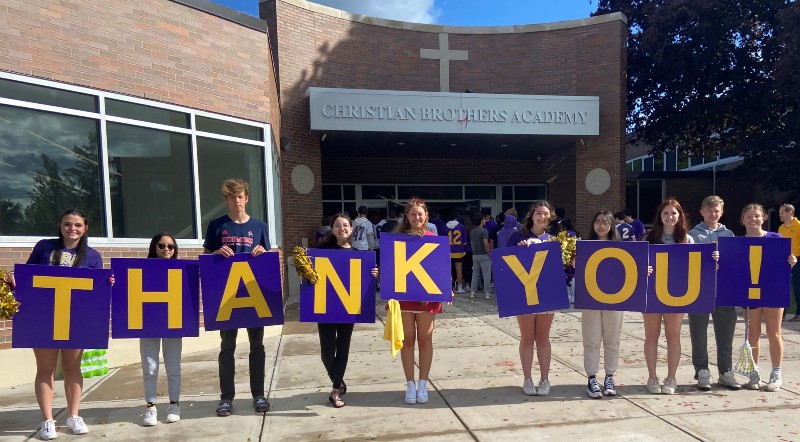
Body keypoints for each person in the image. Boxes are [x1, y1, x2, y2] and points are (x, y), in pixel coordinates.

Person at [6, 208, 112, 440]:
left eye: (77, 225)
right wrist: (14, 279)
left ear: (85, 229)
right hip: (44, 318)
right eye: (67, 224)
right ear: (60, 225)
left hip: (75, 320)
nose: (72, 229)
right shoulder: (44, 247)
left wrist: (108, 282)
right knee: (46, 370)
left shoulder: (92, 256)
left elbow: (96, 291)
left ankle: (73, 415)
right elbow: (28, 276)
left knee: (73, 368)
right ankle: (47, 420)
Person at [203, 179, 271, 417]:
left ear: (247, 198)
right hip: (227, 295)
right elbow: (206, 257)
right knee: (227, 347)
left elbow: (268, 260)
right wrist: (216, 252)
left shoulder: (259, 226)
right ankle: (226, 398)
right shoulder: (217, 226)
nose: (237, 201)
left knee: (257, 346)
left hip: (253, 295)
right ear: (226, 200)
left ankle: (259, 394)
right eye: (232, 197)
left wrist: (263, 252)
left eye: (240, 196)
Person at [391, 198, 451, 405]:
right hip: (405, 298)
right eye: (413, 214)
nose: (417, 217)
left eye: (420, 214)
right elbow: (391, 268)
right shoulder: (397, 239)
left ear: (426, 216)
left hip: (428, 298)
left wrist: (446, 287)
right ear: (406, 216)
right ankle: (410, 384)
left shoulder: (434, 238)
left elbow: (441, 267)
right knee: (407, 341)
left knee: (425, 340)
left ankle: (423, 383)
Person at [317, 213, 378, 408]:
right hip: (325, 306)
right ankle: (339, 380)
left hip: (348, 307)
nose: (341, 228)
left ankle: (336, 389)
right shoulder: (321, 250)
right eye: (337, 225)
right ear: (332, 229)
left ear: (351, 229)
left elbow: (363, 281)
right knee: (327, 353)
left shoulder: (358, 254)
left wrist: (374, 274)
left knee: (343, 348)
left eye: (345, 225)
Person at [741, 203, 798, 391]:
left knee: (774, 333)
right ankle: (754, 373)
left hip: (773, 289)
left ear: (763, 218)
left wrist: (792, 261)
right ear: (743, 220)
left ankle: (776, 373)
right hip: (751, 291)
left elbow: (785, 262)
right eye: (748, 216)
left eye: (756, 215)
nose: (753, 219)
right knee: (753, 334)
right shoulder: (739, 243)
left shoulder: (776, 238)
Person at [687, 196, 740, 391]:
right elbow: (687, 261)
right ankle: (702, 371)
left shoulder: (729, 234)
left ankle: (725, 371)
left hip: (724, 291)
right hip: (700, 291)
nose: (713, 214)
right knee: (698, 335)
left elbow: (736, 262)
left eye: (716, 210)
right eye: (709, 210)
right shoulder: (693, 234)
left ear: (722, 212)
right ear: (702, 212)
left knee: (726, 335)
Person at [643, 198, 694, 395]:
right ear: (660, 216)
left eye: (674, 213)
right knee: (651, 336)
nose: (670, 217)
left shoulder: (687, 240)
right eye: (666, 213)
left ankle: (671, 378)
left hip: (677, 293)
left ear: (679, 216)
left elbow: (695, 268)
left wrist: (712, 259)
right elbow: (639, 264)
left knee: (673, 336)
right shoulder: (648, 238)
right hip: (652, 293)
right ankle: (652, 376)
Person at [507, 200, 556, 396]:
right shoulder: (516, 237)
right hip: (524, 293)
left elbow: (564, 271)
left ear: (550, 217)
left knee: (543, 338)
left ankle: (544, 379)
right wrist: (519, 250)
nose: (542, 216)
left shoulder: (555, 240)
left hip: (547, 294)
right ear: (532, 215)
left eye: (545, 213)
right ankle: (528, 379)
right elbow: (506, 266)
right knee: (527, 338)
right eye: (538, 213)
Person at [141, 233, 183, 426]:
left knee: (173, 366)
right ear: (154, 247)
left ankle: (174, 404)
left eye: (170, 246)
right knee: (150, 368)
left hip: (173, 322)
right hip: (148, 323)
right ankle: (150, 407)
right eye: (161, 245)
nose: (166, 249)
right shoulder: (142, 269)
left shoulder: (182, 269)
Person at [582, 210, 625, 399]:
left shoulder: (621, 247)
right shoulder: (584, 247)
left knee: (612, 339)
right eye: (597, 221)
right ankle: (591, 377)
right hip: (591, 298)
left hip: (615, 298)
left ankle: (609, 376)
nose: (601, 225)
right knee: (591, 339)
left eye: (605, 222)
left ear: (611, 225)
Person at [778, 204, 800, 321]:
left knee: (798, 287)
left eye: (782, 212)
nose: (779, 215)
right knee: (783, 287)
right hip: (784, 261)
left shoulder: (798, 226)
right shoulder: (781, 228)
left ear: (790, 212)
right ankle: (782, 313)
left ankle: (799, 314)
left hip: (798, 260)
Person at [468, 212, 492, 300]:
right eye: (484, 219)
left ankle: (473, 292)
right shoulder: (484, 231)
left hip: (475, 255)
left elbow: (472, 244)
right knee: (486, 274)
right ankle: (487, 293)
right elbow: (486, 244)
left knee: (475, 274)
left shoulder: (472, 231)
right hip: (484, 255)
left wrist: (474, 252)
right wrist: (489, 253)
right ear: (481, 220)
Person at [444, 211, 468, 293]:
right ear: (456, 217)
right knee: (459, 270)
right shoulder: (461, 226)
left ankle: (449, 288)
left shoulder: (445, 227)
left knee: (449, 271)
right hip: (459, 251)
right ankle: (460, 287)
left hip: (448, 251)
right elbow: (465, 241)